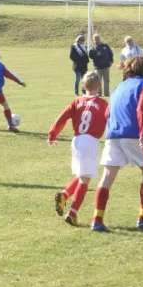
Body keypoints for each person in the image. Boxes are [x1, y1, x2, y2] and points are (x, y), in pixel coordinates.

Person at [92, 56, 143, 232]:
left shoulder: (119, 86)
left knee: (107, 175)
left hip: (113, 134)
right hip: (133, 134)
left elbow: (108, 112)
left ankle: (97, 220)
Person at [48, 72, 108, 227]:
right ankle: (73, 213)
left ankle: (65, 195)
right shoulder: (103, 104)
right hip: (90, 141)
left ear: (83, 86)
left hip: (77, 140)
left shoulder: (76, 101)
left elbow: (62, 117)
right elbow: (112, 119)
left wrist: (53, 134)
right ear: (100, 86)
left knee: (82, 174)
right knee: (85, 179)